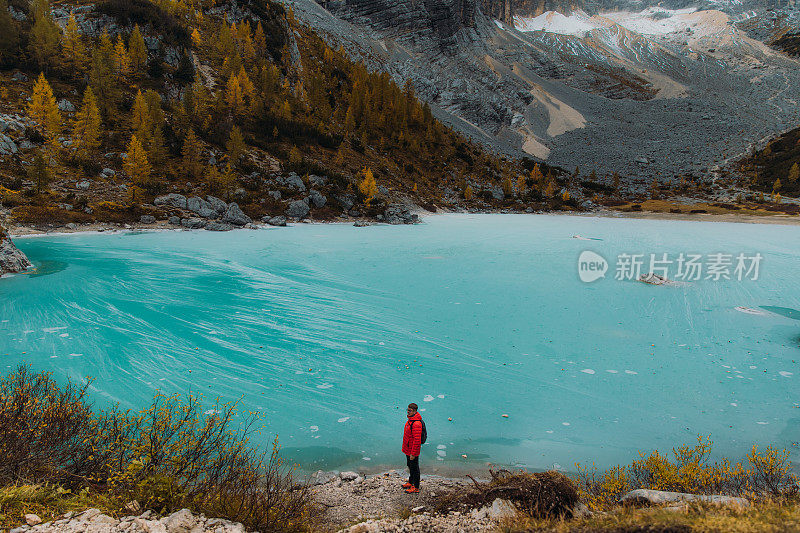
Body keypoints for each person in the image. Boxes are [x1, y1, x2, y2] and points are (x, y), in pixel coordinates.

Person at [401, 402, 423, 493]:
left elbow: (417, 441)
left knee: (415, 468)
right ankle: (411, 482)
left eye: (409, 411)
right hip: (408, 449)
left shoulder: (416, 424)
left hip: (412, 451)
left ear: (414, 411)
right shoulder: (411, 420)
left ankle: (416, 487)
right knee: (410, 466)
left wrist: (413, 454)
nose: (407, 412)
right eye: (407, 410)